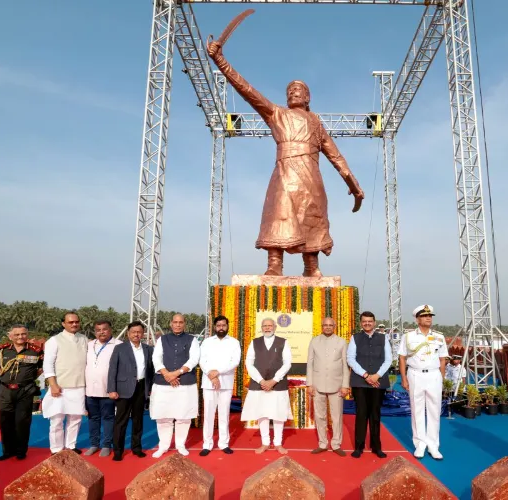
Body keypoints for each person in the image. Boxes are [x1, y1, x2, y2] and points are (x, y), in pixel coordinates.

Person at [207, 39, 365, 277]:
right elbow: (247, 90)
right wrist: (220, 60)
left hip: (311, 177)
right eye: (289, 90)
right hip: (284, 173)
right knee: (278, 214)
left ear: (307, 97)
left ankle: (311, 267)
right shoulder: (276, 114)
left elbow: (336, 155)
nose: (292, 92)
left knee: (312, 217)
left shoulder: (316, 123)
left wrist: (353, 185)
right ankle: (274, 264)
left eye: (298, 90)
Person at [398, 305, 448, 460]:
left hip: (433, 375)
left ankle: (433, 445)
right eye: (425, 316)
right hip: (415, 375)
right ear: (417, 319)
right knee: (417, 409)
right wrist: (404, 379)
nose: (428, 318)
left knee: (434, 411)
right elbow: (402, 357)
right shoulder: (408, 336)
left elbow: (442, 359)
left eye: (430, 316)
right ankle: (420, 444)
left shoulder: (440, 337)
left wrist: (442, 377)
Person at [150, 313, 201, 457]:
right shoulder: (162, 339)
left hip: (184, 383)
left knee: (183, 416)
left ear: (184, 324)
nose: (178, 325)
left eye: (180, 322)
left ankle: (180, 445)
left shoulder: (193, 340)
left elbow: (193, 360)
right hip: (163, 382)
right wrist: (167, 374)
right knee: (163, 416)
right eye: (175, 322)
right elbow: (156, 357)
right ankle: (163, 446)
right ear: (171, 323)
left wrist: (176, 373)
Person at [241, 318, 293, 454]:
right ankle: (265, 442)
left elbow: (287, 363)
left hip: (278, 384)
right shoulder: (254, 342)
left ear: (275, 327)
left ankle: (278, 443)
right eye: (265, 326)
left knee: (278, 413)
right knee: (262, 413)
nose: (267, 328)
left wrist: (274, 380)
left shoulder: (283, 342)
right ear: (261, 327)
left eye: (270, 325)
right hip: (259, 384)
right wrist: (261, 380)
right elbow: (249, 363)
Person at [42, 311, 88, 454]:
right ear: (63, 324)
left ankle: (71, 445)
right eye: (70, 322)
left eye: (76, 322)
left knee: (75, 419)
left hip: (79, 385)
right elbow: (48, 364)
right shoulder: (54, 340)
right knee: (56, 420)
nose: (74, 324)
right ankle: (56, 449)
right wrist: (53, 384)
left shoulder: (84, 339)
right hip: (60, 386)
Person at [0, 324, 43, 460]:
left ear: (27, 335)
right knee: (5, 421)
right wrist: (7, 381)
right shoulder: (2, 351)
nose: (20, 337)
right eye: (17, 334)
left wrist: (24, 380)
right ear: (10, 336)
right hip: (5, 390)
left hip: (25, 390)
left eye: (23, 334)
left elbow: (40, 369)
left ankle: (21, 451)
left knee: (22, 421)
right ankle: (7, 451)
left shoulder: (35, 351)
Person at [347, 311, 391, 459]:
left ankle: (376, 447)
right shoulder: (355, 338)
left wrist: (377, 375)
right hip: (360, 381)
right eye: (364, 321)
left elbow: (388, 360)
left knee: (375, 415)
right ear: (361, 323)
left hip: (378, 382)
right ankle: (359, 447)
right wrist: (366, 375)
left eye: (370, 321)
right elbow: (351, 359)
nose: (367, 323)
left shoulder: (384, 338)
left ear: (374, 322)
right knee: (361, 414)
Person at [108, 321, 154, 461]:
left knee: (138, 420)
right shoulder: (119, 349)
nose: (136, 334)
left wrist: (150, 388)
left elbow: (150, 370)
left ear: (143, 333)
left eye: (139, 332)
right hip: (123, 390)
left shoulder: (148, 349)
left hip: (141, 388)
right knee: (120, 421)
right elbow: (112, 370)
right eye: (133, 332)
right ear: (128, 333)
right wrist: (112, 389)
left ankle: (137, 448)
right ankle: (117, 450)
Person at [306, 316, 349, 456]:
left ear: (334, 326)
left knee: (336, 417)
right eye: (325, 325)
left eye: (330, 325)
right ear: (322, 326)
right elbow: (310, 364)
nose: (328, 327)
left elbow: (345, 365)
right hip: (317, 385)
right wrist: (309, 384)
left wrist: (345, 385)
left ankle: (336, 444)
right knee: (320, 415)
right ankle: (322, 444)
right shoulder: (314, 341)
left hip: (336, 385)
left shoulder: (341, 342)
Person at [199, 315, 241, 456]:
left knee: (224, 414)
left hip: (226, 383)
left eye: (223, 325)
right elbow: (202, 360)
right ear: (214, 327)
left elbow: (234, 361)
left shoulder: (234, 342)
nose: (221, 328)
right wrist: (211, 374)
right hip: (209, 382)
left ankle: (224, 443)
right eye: (218, 325)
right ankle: (207, 444)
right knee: (209, 414)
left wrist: (218, 372)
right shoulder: (207, 342)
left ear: (227, 326)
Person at [84, 320, 121, 457]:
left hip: (108, 390)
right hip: (90, 389)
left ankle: (106, 444)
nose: (101, 332)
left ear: (110, 330)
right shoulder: (89, 345)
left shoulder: (118, 345)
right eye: (98, 330)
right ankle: (94, 444)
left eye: (104, 329)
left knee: (108, 418)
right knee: (93, 418)